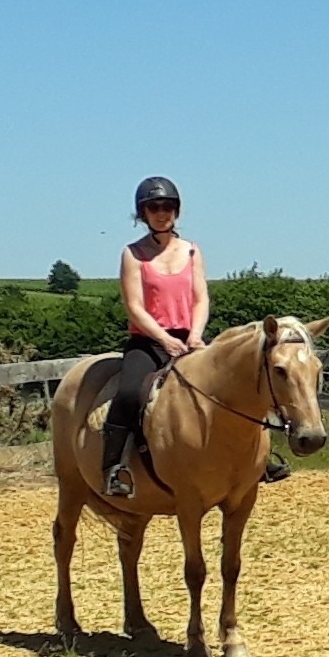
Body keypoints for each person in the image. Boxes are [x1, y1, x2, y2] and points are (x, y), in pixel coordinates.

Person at [103, 175, 208, 501]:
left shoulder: (191, 251)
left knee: (238, 379)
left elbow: (200, 298)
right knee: (130, 394)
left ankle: (257, 462)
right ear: (143, 213)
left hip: (189, 338)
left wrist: (195, 334)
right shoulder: (133, 254)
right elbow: (135, 307)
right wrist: (164, 339)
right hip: (148, 340)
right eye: (154, 207)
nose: (162, 213)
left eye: (167, 206)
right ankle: (113, 469)